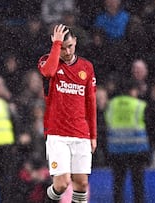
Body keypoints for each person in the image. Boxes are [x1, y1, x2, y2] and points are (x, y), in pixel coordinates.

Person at [37, 24, 97, 203]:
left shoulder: (86, 67)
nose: (67, 52)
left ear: (76, 42)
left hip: (81, 133)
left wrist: (93, 135)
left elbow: (91, 103)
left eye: (70, 46)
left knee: (81, 184)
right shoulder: (47, 62)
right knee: (62, 184)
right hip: (57, 135)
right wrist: (56, 45)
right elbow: (48, 71)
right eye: (62, 48)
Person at [104, 80, 150, 203]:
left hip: (116, 151)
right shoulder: (139, 105)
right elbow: (149, 125)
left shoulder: (111, 104)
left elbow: (106, 123)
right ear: (132, 91)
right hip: (137, 151)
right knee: (138, 184)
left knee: (118, 184)